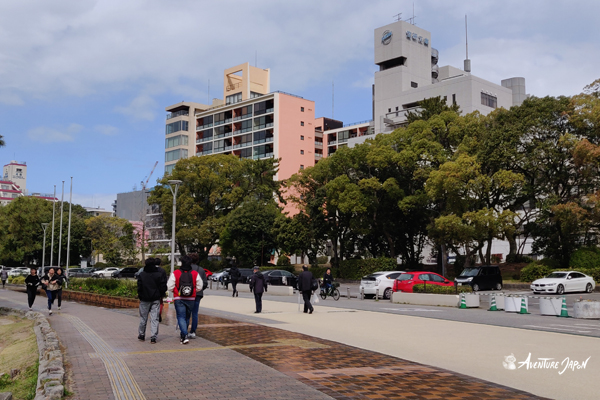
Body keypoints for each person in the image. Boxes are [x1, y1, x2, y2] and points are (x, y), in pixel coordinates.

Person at [166, 255, 203, 344]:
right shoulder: (195, 273)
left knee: (180, 316)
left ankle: (184, 335)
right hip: (191, 298)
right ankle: (184, 334)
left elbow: (170, 286)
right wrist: (193, 291)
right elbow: (200, 286)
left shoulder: (176, 273)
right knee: (187, 316)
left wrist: (176, 291)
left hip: (179, 298)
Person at [137, 258, 168, 344]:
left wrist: (141, 296)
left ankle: (141, 334)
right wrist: (160, 294)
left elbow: (139, 288)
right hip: (155, 299)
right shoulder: (158, 275)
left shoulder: (142, 275)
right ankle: (153, 337)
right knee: (155, 318)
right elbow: (163, 287)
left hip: (144, 299)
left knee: (143, 318)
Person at [188, 253, 208, 339]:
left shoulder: (187, 269)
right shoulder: (201, 270)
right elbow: (205, 283)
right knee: (195, 313)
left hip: (188, 294)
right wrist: (199, 289)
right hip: (198, 294)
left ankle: (185, 330)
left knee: (187, 313)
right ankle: (193, 331)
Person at [154, 258, 167, 322]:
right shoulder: (162, 270)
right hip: (160, 289)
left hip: (153, 289)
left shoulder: (152, 269)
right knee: (160, 302)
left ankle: (154, 314)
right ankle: (159, 313)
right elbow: (165, 280)